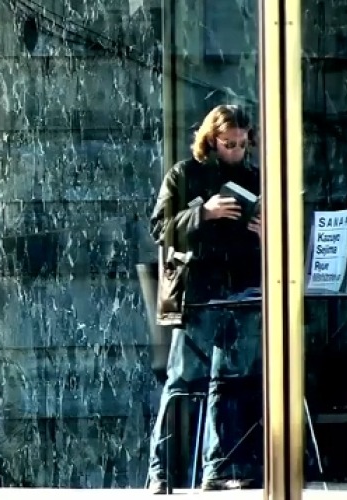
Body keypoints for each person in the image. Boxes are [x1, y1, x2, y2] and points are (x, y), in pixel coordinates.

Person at [145, 104, 263, 493]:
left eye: (242, 145)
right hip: (198, 292)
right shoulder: (186, 174)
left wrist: (268, 231)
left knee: (228, 384)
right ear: (211, 140)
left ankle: (218, 469)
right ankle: (159, 473)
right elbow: (161, 229)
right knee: (182, 382)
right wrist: (204, 212)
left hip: (243, 289)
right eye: (229, 144)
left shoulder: (255, 178)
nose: (236, 152)